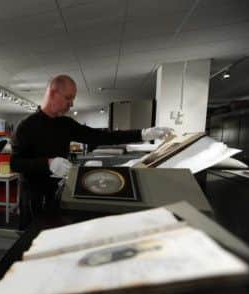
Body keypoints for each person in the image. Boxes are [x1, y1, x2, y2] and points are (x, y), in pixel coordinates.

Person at [10, 75, 173, 229]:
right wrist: (48, 163)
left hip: (56, 194)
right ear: (53, 93)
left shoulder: (65, 124)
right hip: (33, 199)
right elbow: (15, 163)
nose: (71, 104)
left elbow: (99, 136)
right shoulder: (26, 126)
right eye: (68, 98)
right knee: (30, 241)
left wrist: (142, 134)